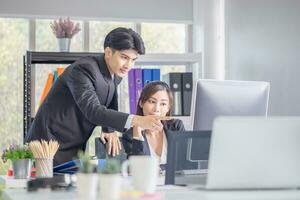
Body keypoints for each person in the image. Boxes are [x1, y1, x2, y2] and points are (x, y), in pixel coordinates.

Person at [25, 27, 169, 166]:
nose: (128, 65)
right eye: (124, 57)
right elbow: (93, 111)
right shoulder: (83, 69)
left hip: (73, 145)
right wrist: (138, 121)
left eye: (133, 59)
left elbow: (111, 95)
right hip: (47, 143)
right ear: (108, 52)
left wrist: (109, 130)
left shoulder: (115, 71)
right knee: (47, 190)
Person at [122, 81, 185, 165]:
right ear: (141, 103)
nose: (156, 109)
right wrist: (137, 133)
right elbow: (138, 168)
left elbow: (185, 163)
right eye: (152, 102)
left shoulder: (176, 127)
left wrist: (160, 170)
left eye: (163, 104)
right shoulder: (129, 136)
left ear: (168, 108)